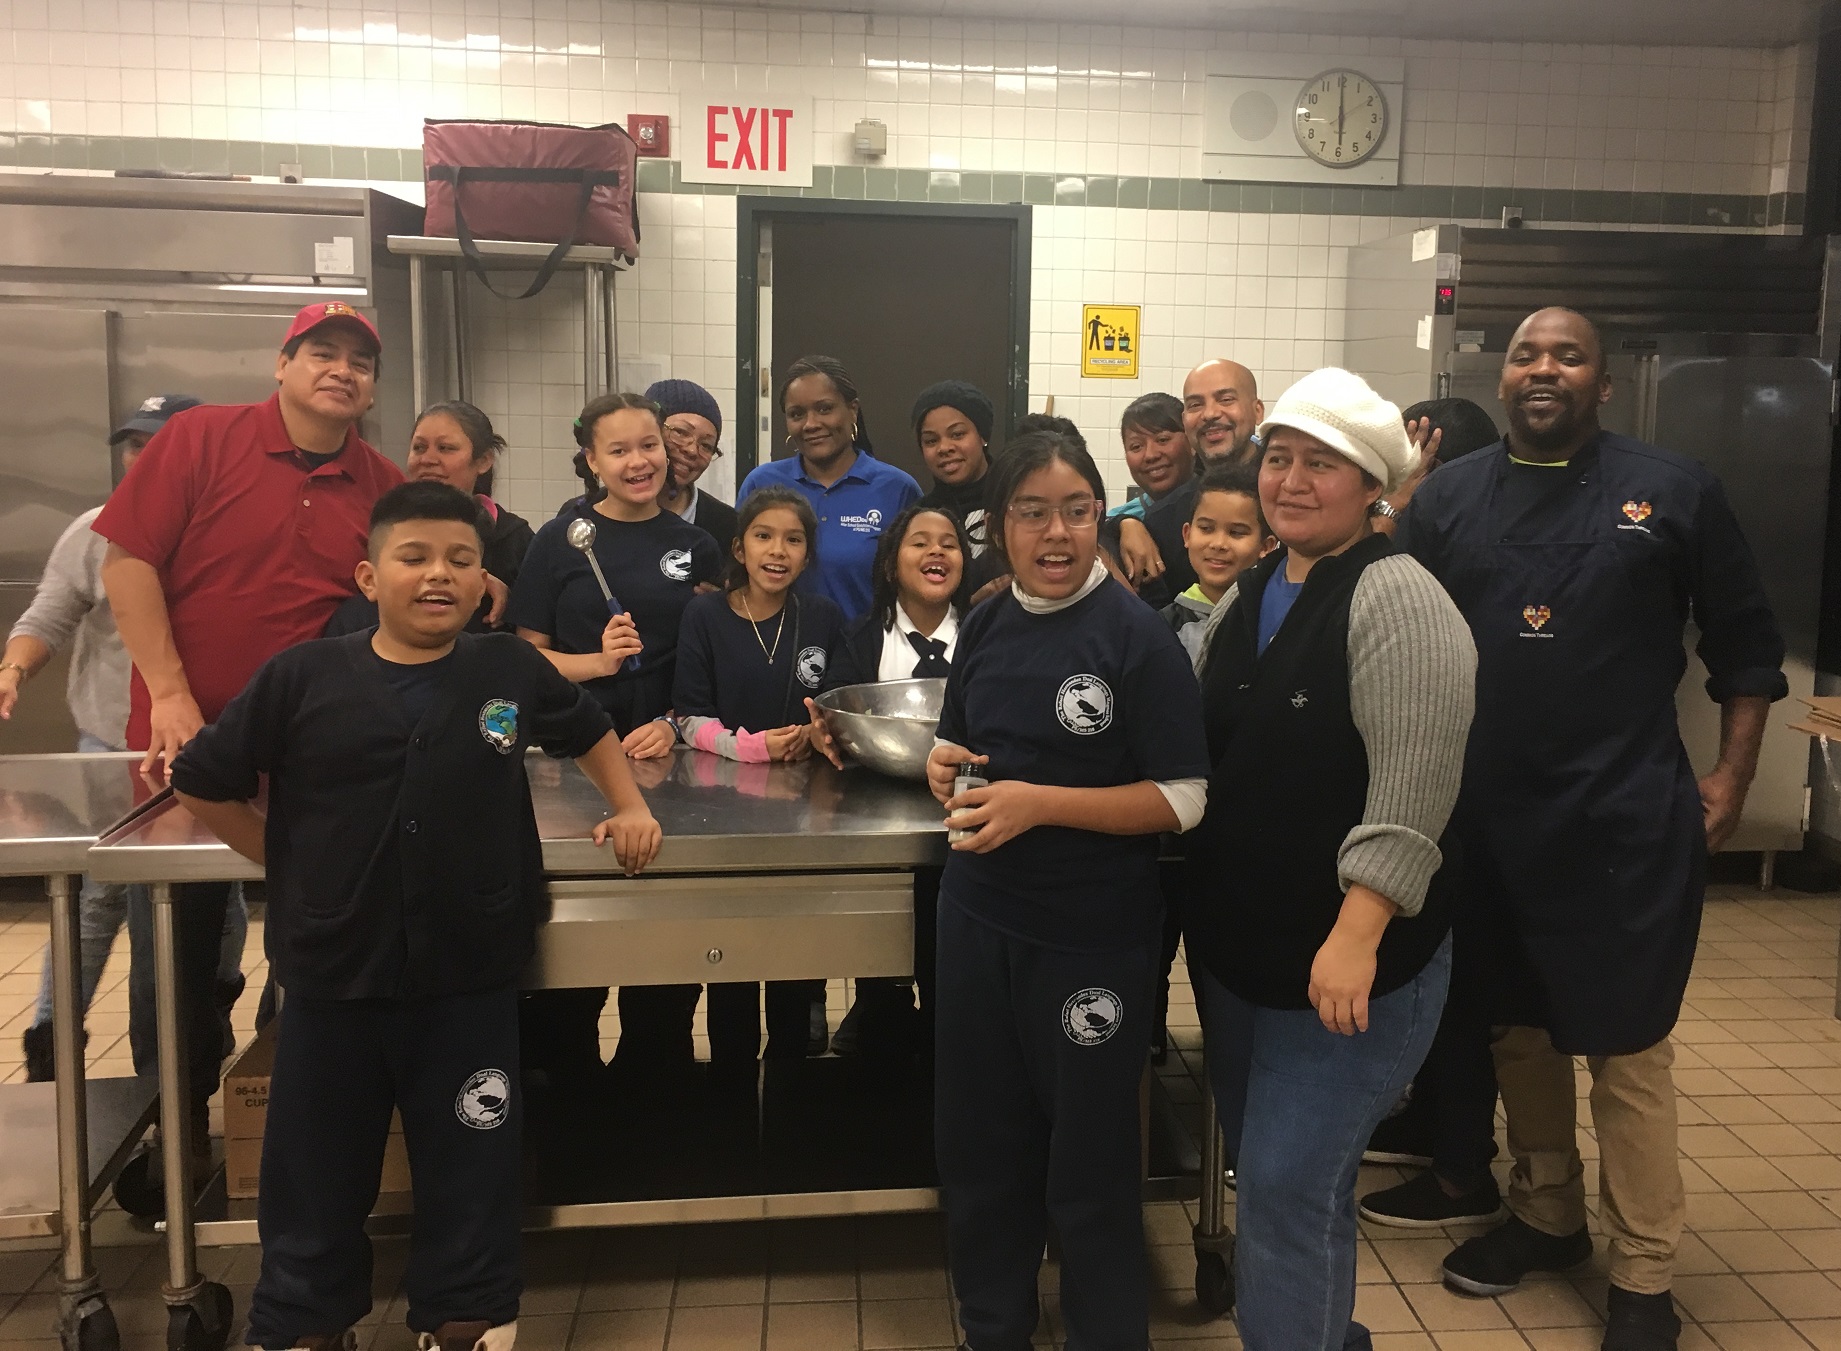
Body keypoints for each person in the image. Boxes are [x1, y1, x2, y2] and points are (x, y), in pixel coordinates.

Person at [170, 481, 662, 1351]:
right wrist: (284, 860)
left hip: (468, 974)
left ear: (484, 585)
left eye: (461, 561)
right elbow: (204, 777)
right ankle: (303, 1318)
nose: (439, 574)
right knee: (315, 1163)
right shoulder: (302, 677)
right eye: (415, 557)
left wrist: (627, 803)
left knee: (472, 1152)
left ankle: (465, 1312)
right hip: (333, 977)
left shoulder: (506, 667)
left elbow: (585, 726)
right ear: (368, 575)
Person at [1396, 308, 1786, 1351]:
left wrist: (1730, 775)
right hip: (1483, 817)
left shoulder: (1672, 489)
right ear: (1504, 373)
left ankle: (1644, 1270)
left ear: (1600, 383)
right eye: (1525, 353)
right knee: (1515, 1029)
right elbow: (1407, 649)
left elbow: (1746, 646)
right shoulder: (1446, 499)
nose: (1541, 370)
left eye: (1565, 355)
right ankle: (1544, 1213)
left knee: (1623, 1046)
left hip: (1619, 818)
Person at [1183, 367, 1476, 1351]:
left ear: (1374, 485)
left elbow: (1413, 786)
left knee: (1281, 1186)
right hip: (1244, 957)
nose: (1291, 481)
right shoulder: (1257, 587)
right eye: (1279, 459)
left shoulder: (1398, 599)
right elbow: (1195, 724)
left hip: (1349, 966)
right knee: (1289, 1184)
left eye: (1322, 464)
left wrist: (1356, 931)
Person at [94, 302, 406, 1181]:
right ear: (283, 363)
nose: (341, 370)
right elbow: (128, 563)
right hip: (186, 754)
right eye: (322, 353)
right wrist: (169, 694)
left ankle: (282, 1113)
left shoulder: (378, 481)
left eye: (359, 360)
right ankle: (179, 1124)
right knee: (177, 952)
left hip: (320, 762)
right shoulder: (198, 441)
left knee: (311, 935)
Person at [926, 429, 1209, 1351]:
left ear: (1101, 514)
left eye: (1077, 511)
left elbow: (1183, 797)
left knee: (1087, 1163)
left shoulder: (1135, 636)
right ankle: (993, 1325)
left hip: (1088, 935)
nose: (1056, 534)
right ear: (998, 525)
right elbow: (966, 738)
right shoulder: (987, 618)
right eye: (1032, 512)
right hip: (977, 919)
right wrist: (944, 762)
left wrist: (1040, 803)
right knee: (979, 1146)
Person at [4, 394, 246, 1082]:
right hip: (114, 751)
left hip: (207, 754)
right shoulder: (95, 529)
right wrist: (13, 666)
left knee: (213, 902)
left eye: (157, 445)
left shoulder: (223, 526)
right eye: (134, 446)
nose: (142, 459)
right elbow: (48, 614)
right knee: (96, 900)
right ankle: (53, 1049)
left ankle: (199, 1039)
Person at [506, 391, 721, 1080]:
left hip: (669, 758)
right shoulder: (558, 539)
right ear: (592, 459)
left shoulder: (697, 546)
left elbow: (710, 654)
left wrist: (672, 721)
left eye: (649, 445)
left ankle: (649, 1092)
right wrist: (596, 662)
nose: (640, 461)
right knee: (575, 952)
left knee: (662, 952)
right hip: (572, 762)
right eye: (620, 449)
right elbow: (525, 653)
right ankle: (567, 1096)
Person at [1356, 392, 1522, 1230]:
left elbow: (1370, 546)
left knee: (1465, 991)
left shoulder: (1444, 534)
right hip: (1460, 788)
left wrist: (1399, 493)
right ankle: (1433, 1131)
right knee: (1439, 982)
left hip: (1471, 794)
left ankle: (1462, 1171)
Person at [674, 487, 843, 1064]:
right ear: (740, 549)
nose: (778, 551)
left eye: (793, 539)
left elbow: (840, 707)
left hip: (803, 814)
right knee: (734, 964)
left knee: (795, 958)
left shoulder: (820, 616)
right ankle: (731, 1093)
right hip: (722, 811)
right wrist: (753, 749)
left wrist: (819, 735)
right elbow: (688, 718)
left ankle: (794, 1090)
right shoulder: (705, 615)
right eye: (764, 537)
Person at [807, 502, 978, 1060]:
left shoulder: (987, 634)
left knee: (948, 948)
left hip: (966, 812)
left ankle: (945, 1034)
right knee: (884, 939)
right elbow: (833, 705)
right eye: (918, 542)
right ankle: (879, 1012)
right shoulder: (862, 639)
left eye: (948, 542)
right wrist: (822, 732)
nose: (935, 551)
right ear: (890, 565)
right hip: (875, 807)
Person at [737, 355, 920, 622]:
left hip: (866, 655)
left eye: (824, 409)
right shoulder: (762, 483)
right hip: (774, 652)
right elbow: (737, 573)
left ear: (853, 410)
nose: (811, 424)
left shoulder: (897, 489)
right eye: (797, 414)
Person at [325, 401, 533, 636]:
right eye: (419, 448)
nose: (428, 459)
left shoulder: (516, 540)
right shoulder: (383, 529)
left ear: (483, 460)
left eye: (445, 448)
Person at [1123, 359, 1264, 602]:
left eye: (1226, 399)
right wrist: (1123, 525)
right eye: (1195, 404)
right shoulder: (1164, 521)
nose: (1210, 414)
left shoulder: (1291, 493)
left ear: (1257, 411)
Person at [1159, 461, 1273, 663]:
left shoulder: (1276, 618)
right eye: (1206, 528)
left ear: (1266, 546)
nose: (1218, 544)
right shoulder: (1162, 626)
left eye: (1236, 533)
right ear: (1187, 534)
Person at [910, 380, 998, 581]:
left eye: (957, 434)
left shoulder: (1016, 502)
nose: (944, 448)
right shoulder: (920, 516)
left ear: (983, 435)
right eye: (931, 440)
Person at [649, 378, 739, 555]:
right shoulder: (589, 520)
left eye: (706, 445)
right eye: (681, 432)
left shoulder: (727, 526)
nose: (692, 450)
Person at [1108, 392, 1194, 522]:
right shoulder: (1114, 524)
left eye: (1162, 439)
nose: (1150, 455)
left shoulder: (1221, 508)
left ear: (1192, 441)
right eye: (1136, 446)